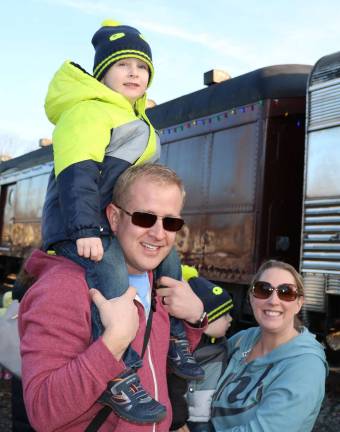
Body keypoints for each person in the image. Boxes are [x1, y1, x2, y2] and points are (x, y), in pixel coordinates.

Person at [42, 19, 203, 424]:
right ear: (101, 73)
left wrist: (194, 315)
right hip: (81, 227)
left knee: (171, 262)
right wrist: (84, 230)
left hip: (106, 224)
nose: (134, 73)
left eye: (142, 67)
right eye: (122, 65)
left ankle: (179, 343)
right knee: (112, 281)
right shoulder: (88, 112)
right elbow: (77, 174)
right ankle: (119, 373)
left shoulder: (132, 117)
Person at [19, 163, 207, 432]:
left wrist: (194, 319)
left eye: (171, 222)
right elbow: (42, 410)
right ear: (115, 217)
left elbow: (154, 368)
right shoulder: (63, 287)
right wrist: (112, 344)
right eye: (144, 218)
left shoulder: (158, 284)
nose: (158, 233)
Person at [210, 260, 328, 432]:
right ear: (251, 297)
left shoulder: (305, 366)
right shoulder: (243, 339)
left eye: (286, 292)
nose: (273, 300)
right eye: (263, 290)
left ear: (299, 303)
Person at [168, 270, 234, 432]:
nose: (231, 319)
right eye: (224, 315)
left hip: (209, 416)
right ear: (206, 321)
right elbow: (174, 388)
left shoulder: (223, 344)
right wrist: (177, 421)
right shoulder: (184, 352)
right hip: (189, 417)